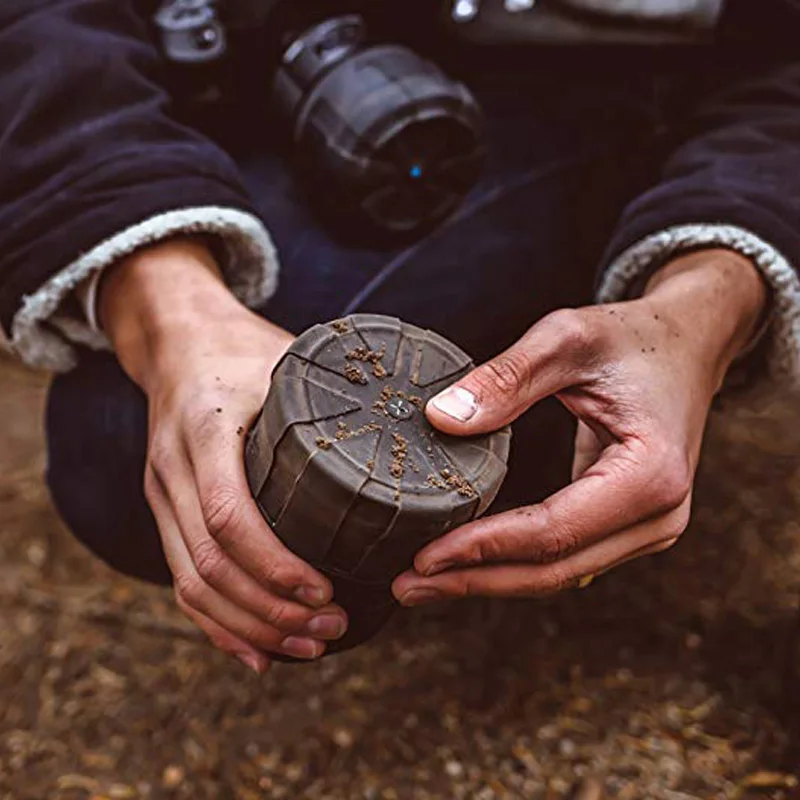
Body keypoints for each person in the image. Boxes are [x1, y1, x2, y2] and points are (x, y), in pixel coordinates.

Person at [1, 0, 797, 674]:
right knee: (140, 436)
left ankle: (577, 426)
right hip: (335, 48)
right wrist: (169, 308)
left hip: (689, 92)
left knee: (306, 510)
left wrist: (705, 306)